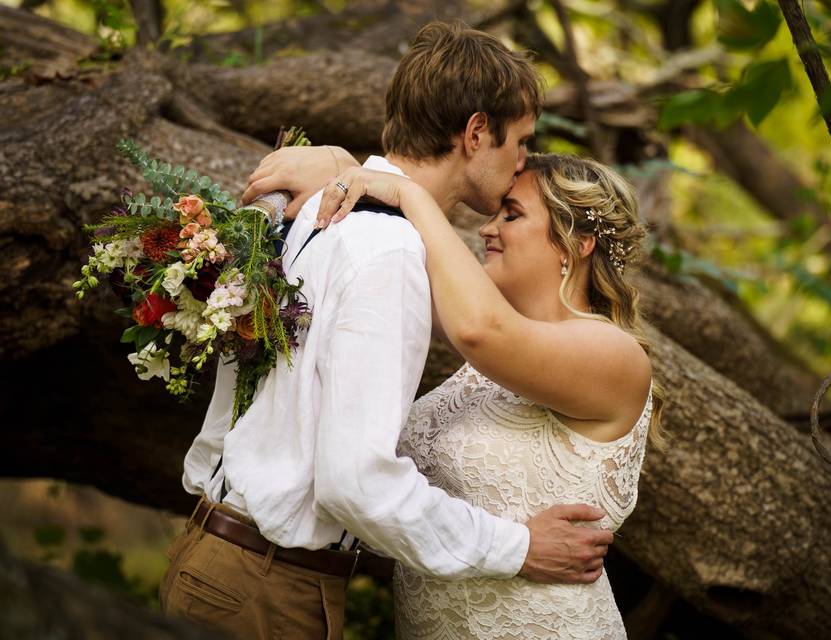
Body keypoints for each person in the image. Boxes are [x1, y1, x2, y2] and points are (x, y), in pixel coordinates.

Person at [158, 21, 613, 640]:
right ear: (476, 132)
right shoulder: (390, 252)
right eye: (521, 142)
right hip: (267, 589)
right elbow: (357, 484)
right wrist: (518, 548)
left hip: (218, 557)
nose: (522, 162)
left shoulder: (308, 212)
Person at [286, 150, 667, 639]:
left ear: (578, 243)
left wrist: (408, 193)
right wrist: (336, 164)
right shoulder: (487, 365)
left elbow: (480, 327)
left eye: (511, 214)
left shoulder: (615, 357)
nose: (487, 229)